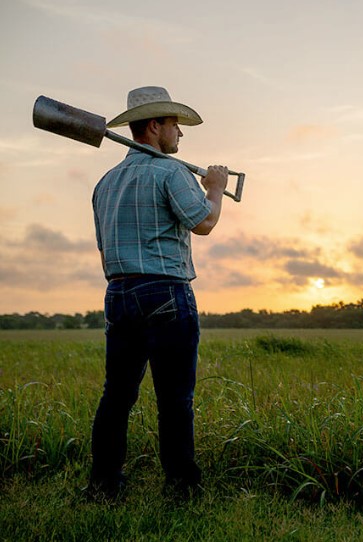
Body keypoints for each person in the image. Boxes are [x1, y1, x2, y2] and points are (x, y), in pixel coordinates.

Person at [87, 86, 228, 499]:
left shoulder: (105, 183)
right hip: (166, 290)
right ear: (154, 126)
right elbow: (203, 222)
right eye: (175, 125)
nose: (180, 134)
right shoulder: (171, 172)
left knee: (117, 396)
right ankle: (182, 486)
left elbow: (104, 251)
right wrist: (215, 187)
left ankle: (103, 485)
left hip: (118, 293)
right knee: (175, 398)